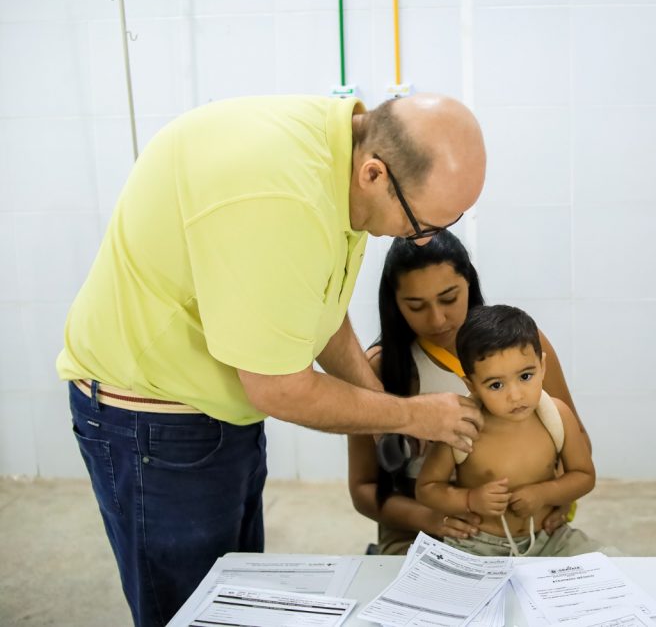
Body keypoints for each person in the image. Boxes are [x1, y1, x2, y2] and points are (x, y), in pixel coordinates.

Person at [56, 93, 487, 626]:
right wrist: (410, 415)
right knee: (190, 609)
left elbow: (316, 314)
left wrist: (381, 407)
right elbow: (279, 387)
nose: (420, 242)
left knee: (232, 595)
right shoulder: (283, 200)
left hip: (218, 410)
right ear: (375, 174)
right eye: (422, 225)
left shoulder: (338, 161)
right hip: (153, 416)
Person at [348, 230, 588, 554]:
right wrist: (432, 519)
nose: (437, 319)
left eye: (449, 298)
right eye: (416, 306)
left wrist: (557, 495)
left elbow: (576, 443)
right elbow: (364, 488)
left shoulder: (522, 346)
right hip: (422, 526)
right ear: (395, 303)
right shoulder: (379, 369)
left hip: (529, 524)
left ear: (469, 284)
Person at [416, 305, 603, 557]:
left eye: (525, 376)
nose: (515, 396)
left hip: (550, 539)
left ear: (542, 366)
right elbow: (427, 488)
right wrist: (470, 499)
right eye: (496, 385)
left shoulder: (557, 415)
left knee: (616, 566)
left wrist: (545, 494)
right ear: (471, 384)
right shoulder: (462, 425)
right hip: (478, 544)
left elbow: (584, 475)